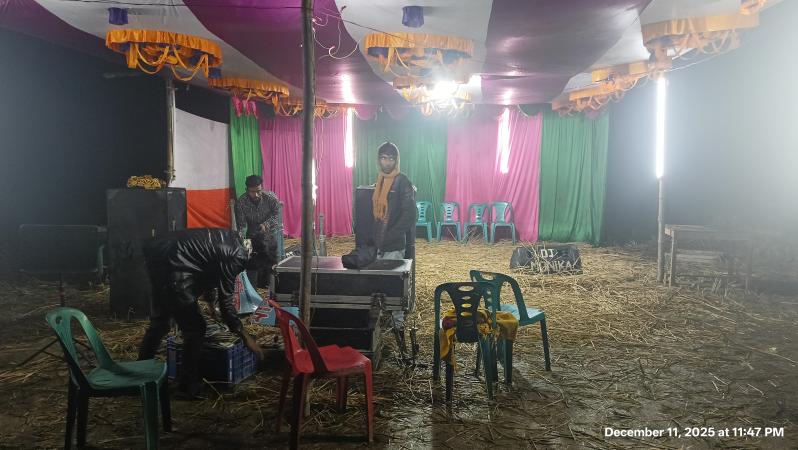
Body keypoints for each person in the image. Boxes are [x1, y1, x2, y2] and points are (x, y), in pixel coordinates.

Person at [137, 228, 269, 398]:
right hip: (174, 266)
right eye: (259, 265)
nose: (255, 269)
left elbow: (208, 269)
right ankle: (187, 387)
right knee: (195, 329)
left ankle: (139, 376)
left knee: (160, 323)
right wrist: (245, 336)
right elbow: (226, 302)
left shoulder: (233, 239)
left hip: (161, 257)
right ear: (255, 254)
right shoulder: (236, 256)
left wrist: (210, 304)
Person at [372, 142, 416, 330]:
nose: (387, 162)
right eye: (384, 158)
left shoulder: (403, 181)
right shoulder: (380, 180)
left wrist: (391, 235)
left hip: (394, 243)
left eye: (391, 158)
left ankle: (398, 324)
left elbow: (410, 214)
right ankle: (382, 319)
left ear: (396, 160)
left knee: (395, 284)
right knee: (379, 282)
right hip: (377, 243)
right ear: (379, 160)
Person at [234, 175, 280, 287]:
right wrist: (243, 243)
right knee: (250, 261)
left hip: (270, 233)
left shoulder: (271, 198)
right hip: (250, 235)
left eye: (258, 191)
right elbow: (241, 226)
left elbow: (277, 215)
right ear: (247, 190)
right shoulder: (241, 203)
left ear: (262, 187)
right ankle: (252, 289)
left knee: (271, 261)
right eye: (252, 192)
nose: (256, 195)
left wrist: (266, 225)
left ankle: (271, 288)